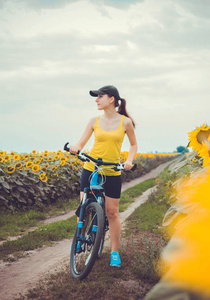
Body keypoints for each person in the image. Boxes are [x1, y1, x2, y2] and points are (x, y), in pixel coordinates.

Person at [70, 85, 138, 267]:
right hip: (91, 168)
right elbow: (81, 141)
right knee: (84, 205)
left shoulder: (125, 122)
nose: (96, 100)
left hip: (112, 171)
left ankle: (114, 252)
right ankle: (79, 238)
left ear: (111, 99)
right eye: (96, 97)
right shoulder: (94, 120)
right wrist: (76, 147)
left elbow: (133, 145)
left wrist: (129, 160)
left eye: (100, 96)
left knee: (112, 212)